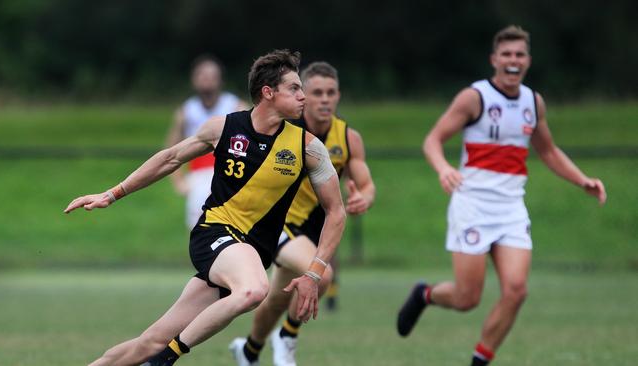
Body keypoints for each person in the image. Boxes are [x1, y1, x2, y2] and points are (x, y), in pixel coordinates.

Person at [64, 49, 346, 366]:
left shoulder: (308, 148)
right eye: (294, 88)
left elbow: (336, 212)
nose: (303, 96)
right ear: (268, 92)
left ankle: (146, 356)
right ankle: (166, 359)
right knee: (254, 291)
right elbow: (169, 159)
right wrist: (112, 194)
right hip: (215, 233)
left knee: (149, 341)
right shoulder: (222, 128)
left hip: (251, 255)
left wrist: (315, 272)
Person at [396, 25, 606, 365]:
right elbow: (432, 140)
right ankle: (425, 295)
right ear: (494, 59)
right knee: (467, 299)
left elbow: (548, 151)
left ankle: (479, 362)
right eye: (506, 54)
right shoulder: (474, 97)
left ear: (528, 61)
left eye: (519, 54)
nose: (513, 60)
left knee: (516, 290)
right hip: (473, 205)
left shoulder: (532, 103)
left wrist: (582, 180)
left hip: (510, 210)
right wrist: (443, 168)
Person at [229, 61, 376, 366]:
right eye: (317, 92)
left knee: (276, 300)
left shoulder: (348, 138)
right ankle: (287, 336)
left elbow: (366, 184)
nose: (324, 99)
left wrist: (364, 197)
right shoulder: (286, 129)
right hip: (280, 224)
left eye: (331, 93)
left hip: (313, 231)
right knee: (320, 276)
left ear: (338, 96)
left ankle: (249, 352)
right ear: (303, 95)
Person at [166, 55, 249, 229]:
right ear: (194, 79)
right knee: (198, 225)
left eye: (212, 76)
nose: (207, 80)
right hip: (198, 174)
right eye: (202, 75)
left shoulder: (236, 106)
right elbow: (171, 147)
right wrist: (179, 181)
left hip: (230, 172)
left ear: (220, 80)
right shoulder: (186, 111)